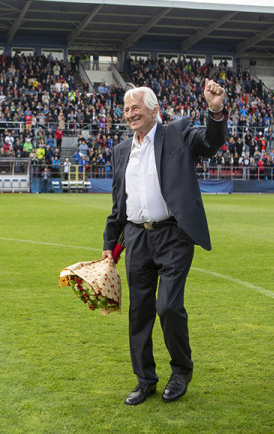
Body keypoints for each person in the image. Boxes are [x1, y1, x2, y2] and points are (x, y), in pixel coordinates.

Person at [102, 80, 228, 406]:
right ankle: (145, 381)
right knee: (139, 311)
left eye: (136, 108)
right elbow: (119, 205)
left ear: (154, 110)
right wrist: (108, 245)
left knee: (168, 306)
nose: (130, 113)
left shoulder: (178, 133)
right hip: (136, 237)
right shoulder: (120, 152)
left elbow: (211, 143)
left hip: (173, 235)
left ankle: (181, 370)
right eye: (126, 109)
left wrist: (215, 111)